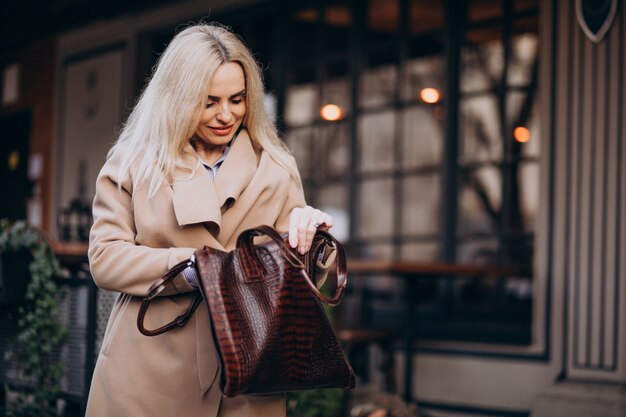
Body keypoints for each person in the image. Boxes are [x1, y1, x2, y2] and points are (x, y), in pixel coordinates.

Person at [86, 22, 334, 417]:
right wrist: (195, 268)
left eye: (237, 99)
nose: (226, 115)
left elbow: (296, 282)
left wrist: (312, 240)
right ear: (177, 99)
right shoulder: (133, 163)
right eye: (208, 101)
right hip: (148, 370)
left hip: (248, 376)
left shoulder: (276, 167)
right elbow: (105, 258)